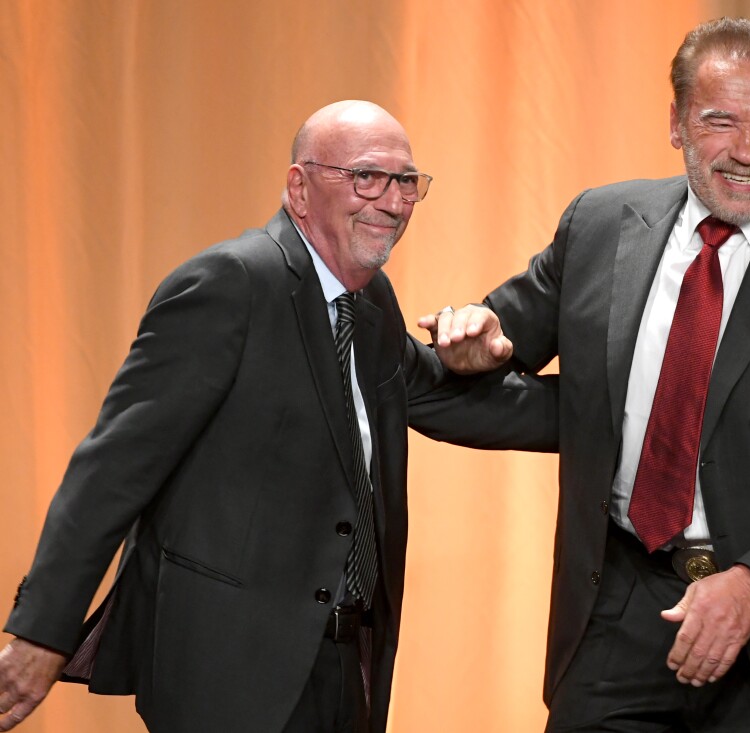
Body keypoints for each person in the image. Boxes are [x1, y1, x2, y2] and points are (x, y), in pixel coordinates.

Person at [426, 17, 750, 733]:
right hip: (621, 611)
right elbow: (501, 338)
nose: (747, 151)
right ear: (677, 122)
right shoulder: (600, 224)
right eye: (721, 120)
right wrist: (465, 338)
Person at [0, 100, 555, 733]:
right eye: (367, 177)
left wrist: (629, 406)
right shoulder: (231, 284)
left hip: (346, 665)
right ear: (299, 186)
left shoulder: (370, 305)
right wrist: (42, 631)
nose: (393, 202)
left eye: (407, 183)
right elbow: (112, 470)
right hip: (229, 674)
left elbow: (448, 400)